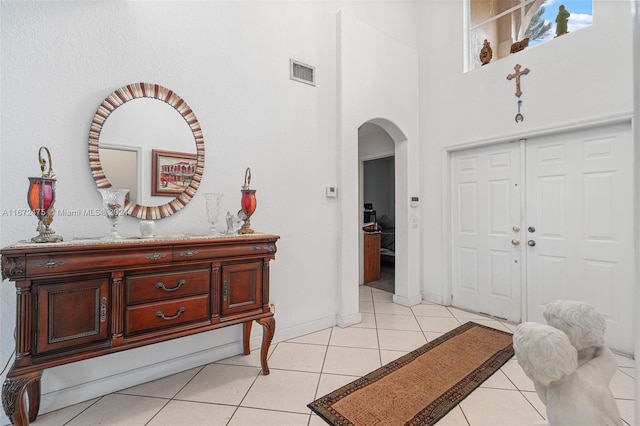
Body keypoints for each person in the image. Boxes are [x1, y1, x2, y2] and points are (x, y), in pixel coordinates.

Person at [513, 322, 622, 426]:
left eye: (520, 359)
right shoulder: (579, 376)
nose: (518, 362)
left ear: (530, 364)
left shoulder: (562, 405)